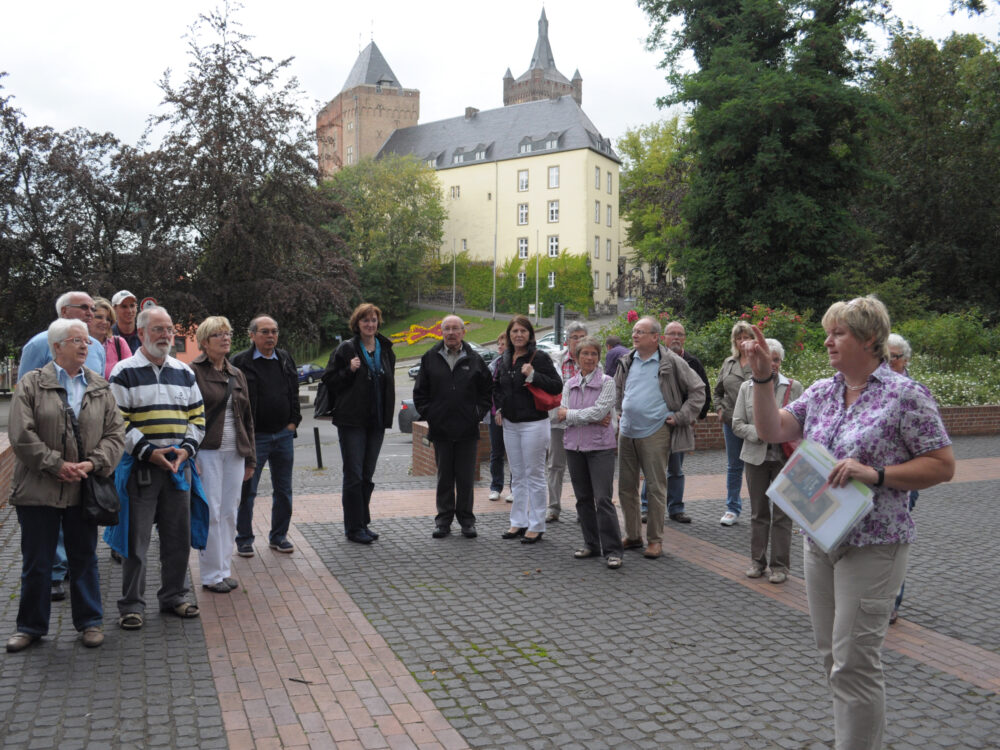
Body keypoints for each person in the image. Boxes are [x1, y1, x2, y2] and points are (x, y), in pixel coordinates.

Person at [744, 295, 954, 750]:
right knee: (832, 658)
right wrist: (763, 377)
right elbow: (771, 429)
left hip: (874, 543)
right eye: (828, 332)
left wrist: (875, 474)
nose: (828, 341)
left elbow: (942, 465)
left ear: (869, 338)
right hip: (820, 538)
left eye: (838, 332)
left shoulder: (905, 395)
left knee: (855, 662)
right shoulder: (822, 391)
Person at [6, 319, 125, 652]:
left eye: (87, 341)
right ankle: (29, 627)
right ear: (56, 346)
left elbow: (116, 434)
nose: (86, 346)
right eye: (77, 340)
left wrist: (94, 462)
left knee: (84, 558)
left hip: (82, 488)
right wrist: (56, 465)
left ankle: (90, 623)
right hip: (38, 489)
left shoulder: (100, 386)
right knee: (37, 562)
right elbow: (20, 434)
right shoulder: (31, 384)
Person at [109, 306, 206, 629]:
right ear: (141, 334)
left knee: (177, 539)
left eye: (169, 329)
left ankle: (174, 597)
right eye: (159, 329)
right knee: (135, 543)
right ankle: (132, 606)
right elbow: (117, 422)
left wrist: (186, 451)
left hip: (179, 468)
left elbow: (197, 418)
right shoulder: (123, 372)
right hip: (142, 470)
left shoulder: (185, 371)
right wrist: (149, 452)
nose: (167, 335)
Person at [18, 290, 107, 599]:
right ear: (64, 311)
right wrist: (53, 461)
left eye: (93, 308)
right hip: (45, 466)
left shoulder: (95, 346)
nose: (91, 312)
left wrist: (95, 459)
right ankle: (53, 578)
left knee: (83, 547)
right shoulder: (37, 344)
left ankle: (85, 610)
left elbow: (100, 399)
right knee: (40, 548)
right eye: (85, 308)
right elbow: (24, 404)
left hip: (84, 464)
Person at [615, 316, 705, 559]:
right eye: (634, 331)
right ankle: (633, 535)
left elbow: (698, 390)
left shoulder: (671, 362)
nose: (634, 335)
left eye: (640, 332)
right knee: (626, 487)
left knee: (655, 487)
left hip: (655, 431)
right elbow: (619, 389)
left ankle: (655, 540)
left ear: (655, 337)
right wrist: (619, 410)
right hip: (627, 431)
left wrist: (681, 416)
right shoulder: (627, 361)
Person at [191, 317, 255, 592]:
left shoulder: (236, 374)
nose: (226, 338)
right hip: (207, 451)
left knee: (229, 511)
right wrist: (190, 454)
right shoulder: (192, 372)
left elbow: (248, 418)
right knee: (212, 512)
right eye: (218, 334)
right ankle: (210, 575)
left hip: (235, 451)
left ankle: (224, 569)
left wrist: (250, 456)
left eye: (228, 333)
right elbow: (187, 416)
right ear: (205, 342)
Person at [731, 338, 803, 584]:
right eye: (768, 358)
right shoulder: (747, 387)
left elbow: (804, 424)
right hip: (756, 458)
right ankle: (757, 562)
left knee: (783, 515)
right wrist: (760, 432)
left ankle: (780, 566)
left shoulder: (794, 387)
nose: (772, 364)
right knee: (759, 513)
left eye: (777, 359)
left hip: (786, 459)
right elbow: (737, 423)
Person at [413, 316, 492, 538]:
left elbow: (487, 391)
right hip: (442, 430)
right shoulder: (430, 358)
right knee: (444, 477)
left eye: (455, 329)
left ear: (463, 332)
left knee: (466, 478)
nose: (451, 333)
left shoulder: (475, 359)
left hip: (467, 429)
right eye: (446, 329)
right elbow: (420, 393)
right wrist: (431, 415)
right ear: (441, 332)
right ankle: (443, 521)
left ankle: (467, 520)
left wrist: (477, 413)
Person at [323, 303, 395, 544]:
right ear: (357, 323)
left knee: (367, 474)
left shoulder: (385, 348)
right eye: (365, 321)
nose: (370, 324)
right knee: (353, 475)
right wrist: (348, 371)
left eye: (373, 320)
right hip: (352, 421)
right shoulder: (346, 349)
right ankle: (353, 528)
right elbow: (329, 381)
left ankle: (362, 522)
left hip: (376, 421)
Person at [231, 315, 301, 556]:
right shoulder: (240, 362)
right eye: (264, 332)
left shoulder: (284, 358)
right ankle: (244, 539)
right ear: (252, 335)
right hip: (254, 438)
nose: (271, 336)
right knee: (247, 491)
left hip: (283, 435)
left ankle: (279, 536)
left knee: (284, 490)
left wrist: (293, 422)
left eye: (274, 331)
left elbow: (294, 390)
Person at [493, 315, 562, 543]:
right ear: (509, 335)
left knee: (534, 475)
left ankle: (537, 524)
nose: (518, 335)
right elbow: (498, 387)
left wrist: (533, 375)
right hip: (510, 424)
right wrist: (500, 408)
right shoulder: (505, 358)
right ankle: (518, 522)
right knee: (518, 476)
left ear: (530, 335)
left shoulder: (539, 357)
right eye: (515, 331)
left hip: (534, 423)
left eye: (523, 331)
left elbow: (556, 385)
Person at [556, 336, 623, 569]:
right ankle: (591, 544)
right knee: (583, 499)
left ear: (598, 357)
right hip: (574, 447)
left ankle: (613, 550)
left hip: (600, 448)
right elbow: (560, 415)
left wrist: (573, 415)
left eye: (594, 354)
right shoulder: (569, 384)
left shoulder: (607, 382)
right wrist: (586, 416)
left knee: (603, 499)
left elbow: (595, 412)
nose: (590, 358)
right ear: (576, 357)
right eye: (585, 354)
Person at [640, 320, 712, 525]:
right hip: (656, 423)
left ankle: (676, 508)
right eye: (672, 334)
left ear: (685, 338)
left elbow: (703, 392)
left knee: (676, 470)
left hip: (680, 424)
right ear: (663, 337)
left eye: (680, 334)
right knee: (653, 468)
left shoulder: (692, 362)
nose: (676, 338)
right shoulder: (656, 359)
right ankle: (646, 507)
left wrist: (693, 416)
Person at [887, 333, 917, 623]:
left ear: (905, 360)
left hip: (903, 479)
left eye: (894, 357)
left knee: (895, 538)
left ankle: (893, 601)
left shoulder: (913, 392)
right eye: (885, 356)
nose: (889, 362)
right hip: (872, 481)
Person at [714, 320, 755, 526]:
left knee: (757, 465)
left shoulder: (760, 361)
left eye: (746, 337)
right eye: (739, 338)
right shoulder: (729, 363)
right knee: (734, 466)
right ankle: (732, 508)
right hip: (731, 421)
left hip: (755, 423)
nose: (742, 341)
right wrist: (720, 409)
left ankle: (759, 508)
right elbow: (718, 390)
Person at [546, 321, 588, 522]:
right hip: (558, 422)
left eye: (582, 337)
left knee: (582, 468)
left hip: (583, 422)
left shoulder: (592, 362)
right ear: (567, 340)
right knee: (555, 465)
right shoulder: (556, 361)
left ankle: (584, 509)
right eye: (575, 337)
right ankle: (553, 508)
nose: (579, 341)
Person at [486, 333, 511, 502]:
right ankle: (496, 486)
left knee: (514, 453)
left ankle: (515, 487)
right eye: (499, 343)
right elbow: (489, 391)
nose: (500, 346)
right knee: (496, 452)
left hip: (512, 416)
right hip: (494, 415)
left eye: (504, 343)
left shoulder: (514, 364)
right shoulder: (493, 365)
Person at [89, 297, 130, 379]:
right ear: (88, 318)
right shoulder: (79, 344)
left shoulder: (119, 343)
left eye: (108, 319)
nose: (104, 322)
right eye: (99, 317)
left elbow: (130, 374)